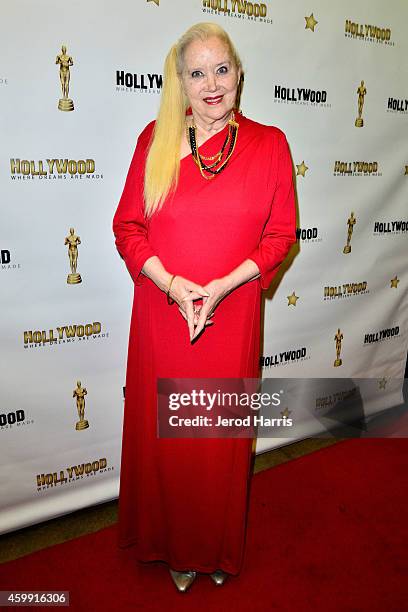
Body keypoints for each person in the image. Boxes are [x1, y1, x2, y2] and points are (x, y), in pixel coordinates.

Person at [112, 22, 296, 593]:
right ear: (180, 84)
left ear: (239, 74)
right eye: (197, 73)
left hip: (230, 317)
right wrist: (171, 284)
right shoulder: (155, 139)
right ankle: (173, 547)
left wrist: (221, 286)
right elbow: (128, 228)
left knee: (218, 441)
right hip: (165, 318)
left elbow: (281, 235)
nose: (211, 84)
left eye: (221, 69)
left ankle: (216, 544)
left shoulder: (270, 144)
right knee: (172, 446)